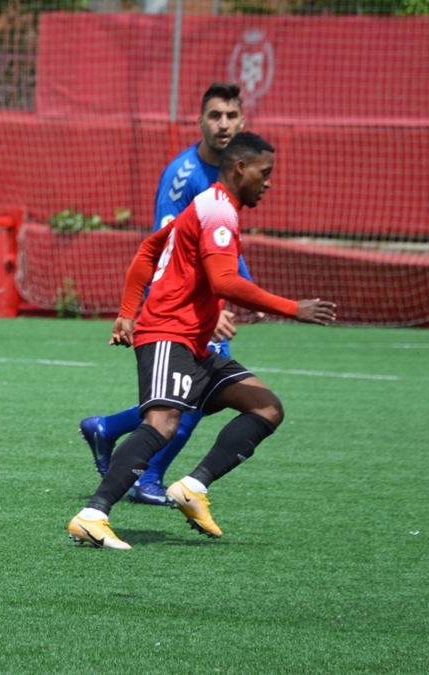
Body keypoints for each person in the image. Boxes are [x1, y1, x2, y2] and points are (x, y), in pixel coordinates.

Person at [67, 131, 336, 549]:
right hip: (166, 334)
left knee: (265, 407)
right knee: (162, 424)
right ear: (240, 168)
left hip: (194, 345)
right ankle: (93, 514)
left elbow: (146, 251)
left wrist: (124, 313)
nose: (268, 183)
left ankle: (192, 487)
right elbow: (224, 281)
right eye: (264, 173)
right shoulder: (218, 211)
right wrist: (291, 308)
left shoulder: (207, 206)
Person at [79, 83, 257, 506]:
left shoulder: (238, 169)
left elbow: (225, 244)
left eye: (231, 116)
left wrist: (244, 292)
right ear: (200, 122)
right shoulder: (183, 175)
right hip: (176, 306)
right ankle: (146, 477)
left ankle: (108, 429)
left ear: (243, 120)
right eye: (215, 116)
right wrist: (207, 309)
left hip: (204, 302)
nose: (224, 124)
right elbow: (166, 251)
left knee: (193, 397)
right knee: (190, 398)